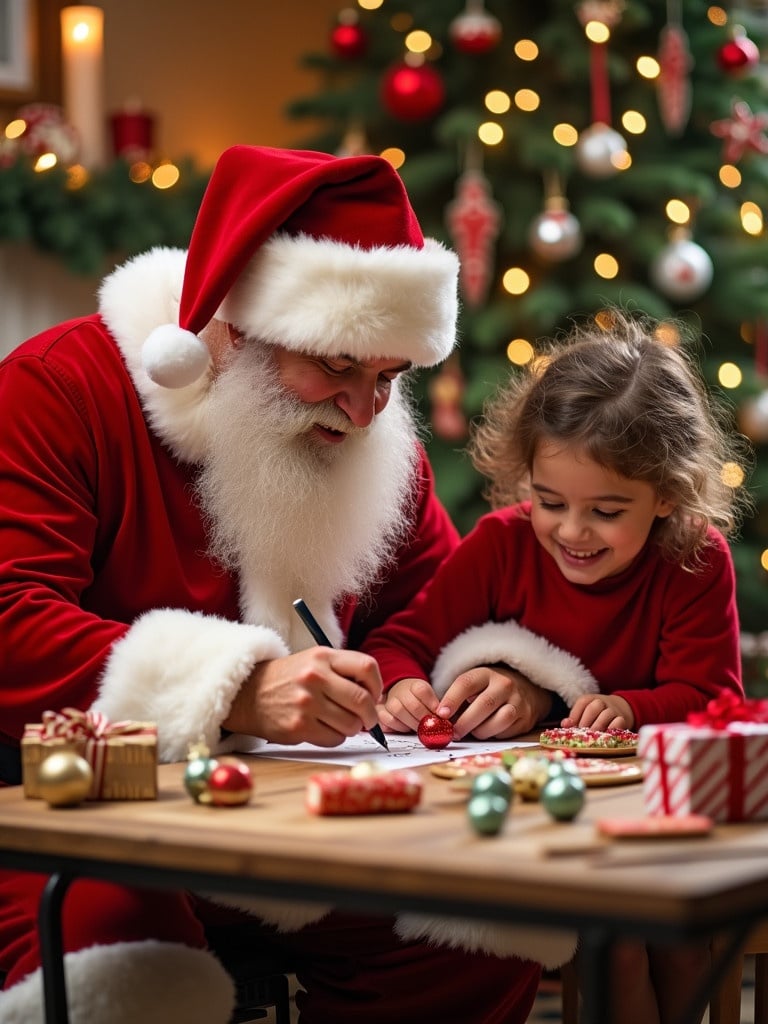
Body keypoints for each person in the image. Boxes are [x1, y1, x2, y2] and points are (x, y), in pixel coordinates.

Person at [0, 144, 566, 1024]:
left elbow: (442, 600)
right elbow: (8, 618)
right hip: (61, 807)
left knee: (468, 935)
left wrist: (487, 677)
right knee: (121, 959)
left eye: (389, 377)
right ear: (229, 326)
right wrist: (239, 687)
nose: (364, 410)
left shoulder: (377, 447)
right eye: (338, 365)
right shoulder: (57, 391)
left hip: (279, 822)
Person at [362, 309, 752, 1024]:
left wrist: (632, 709)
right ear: (526, 483)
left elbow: (712, 701)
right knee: (615, 944)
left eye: (606, 511)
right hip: (536, 827)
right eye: (549, 502)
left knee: (663, 932)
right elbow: (400, 640)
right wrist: (405, 682)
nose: (571, 532)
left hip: (652, 823)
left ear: (667, 496)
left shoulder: (694, 560)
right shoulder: (500, 545)